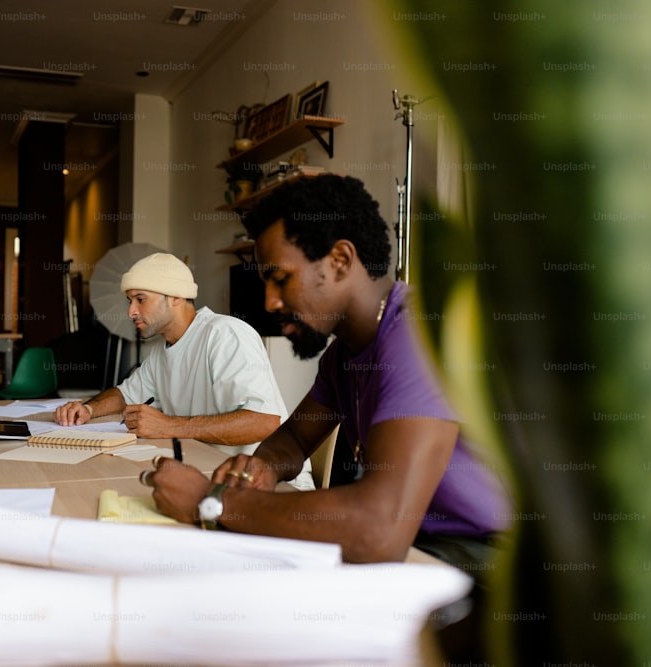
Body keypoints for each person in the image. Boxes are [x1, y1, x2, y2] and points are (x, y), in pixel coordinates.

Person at [144, 175, 510, 567]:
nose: (269, 301)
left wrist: (212, 501)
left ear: (339, 261)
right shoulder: (344, 353)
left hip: (491, 560)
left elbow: (378, 529)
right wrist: (260, 468)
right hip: (419, 542)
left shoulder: (416, 334)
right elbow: (294, 440)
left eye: (281, 278)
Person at [54, 252, 313, 490]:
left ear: (176, 296)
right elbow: (125, 394)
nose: (130, 311)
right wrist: (88, 409)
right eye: (130, 301)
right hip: (214, 474)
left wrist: (168, 426)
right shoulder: (161, 351)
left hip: (269, 485)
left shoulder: (224, 334)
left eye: (140, 299)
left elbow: (264, 422)